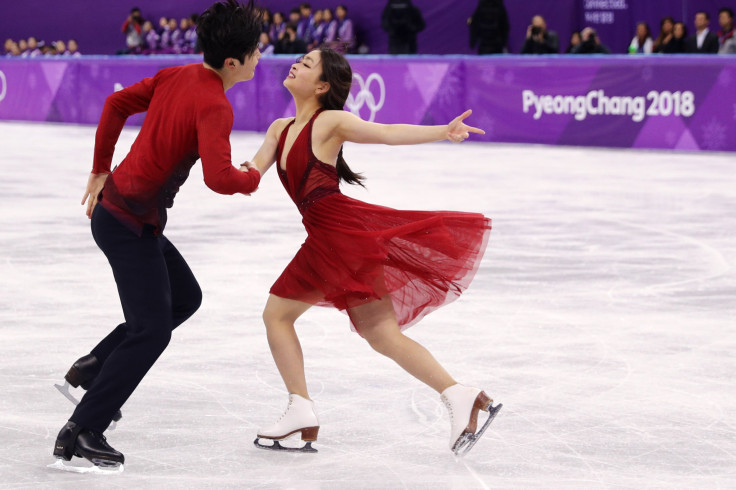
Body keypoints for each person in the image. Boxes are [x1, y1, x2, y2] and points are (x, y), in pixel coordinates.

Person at [246, 47, 501, 456]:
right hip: (329, 239)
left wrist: (442, 130)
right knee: (380, 334)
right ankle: (459, 394)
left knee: (277, 315)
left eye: (307, 64)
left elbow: (386, 132)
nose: (296, 64)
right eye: (300, 60)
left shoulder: (329, 121)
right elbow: (252, 170)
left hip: (339, 237)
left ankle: (301, 409)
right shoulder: (280, 128)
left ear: (322, 86)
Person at [51, 0, 262, 471]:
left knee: (184, 297)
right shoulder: (214, 104)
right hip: (128, 223)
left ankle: (95, 367)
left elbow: (115, 104)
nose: (259, 57)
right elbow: (220, 178)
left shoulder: (179, 74)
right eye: (255, 51)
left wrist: (101, 168)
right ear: (234, 62)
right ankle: (84, 428)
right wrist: (254, 174)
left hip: (125, 216)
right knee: (152, 330)